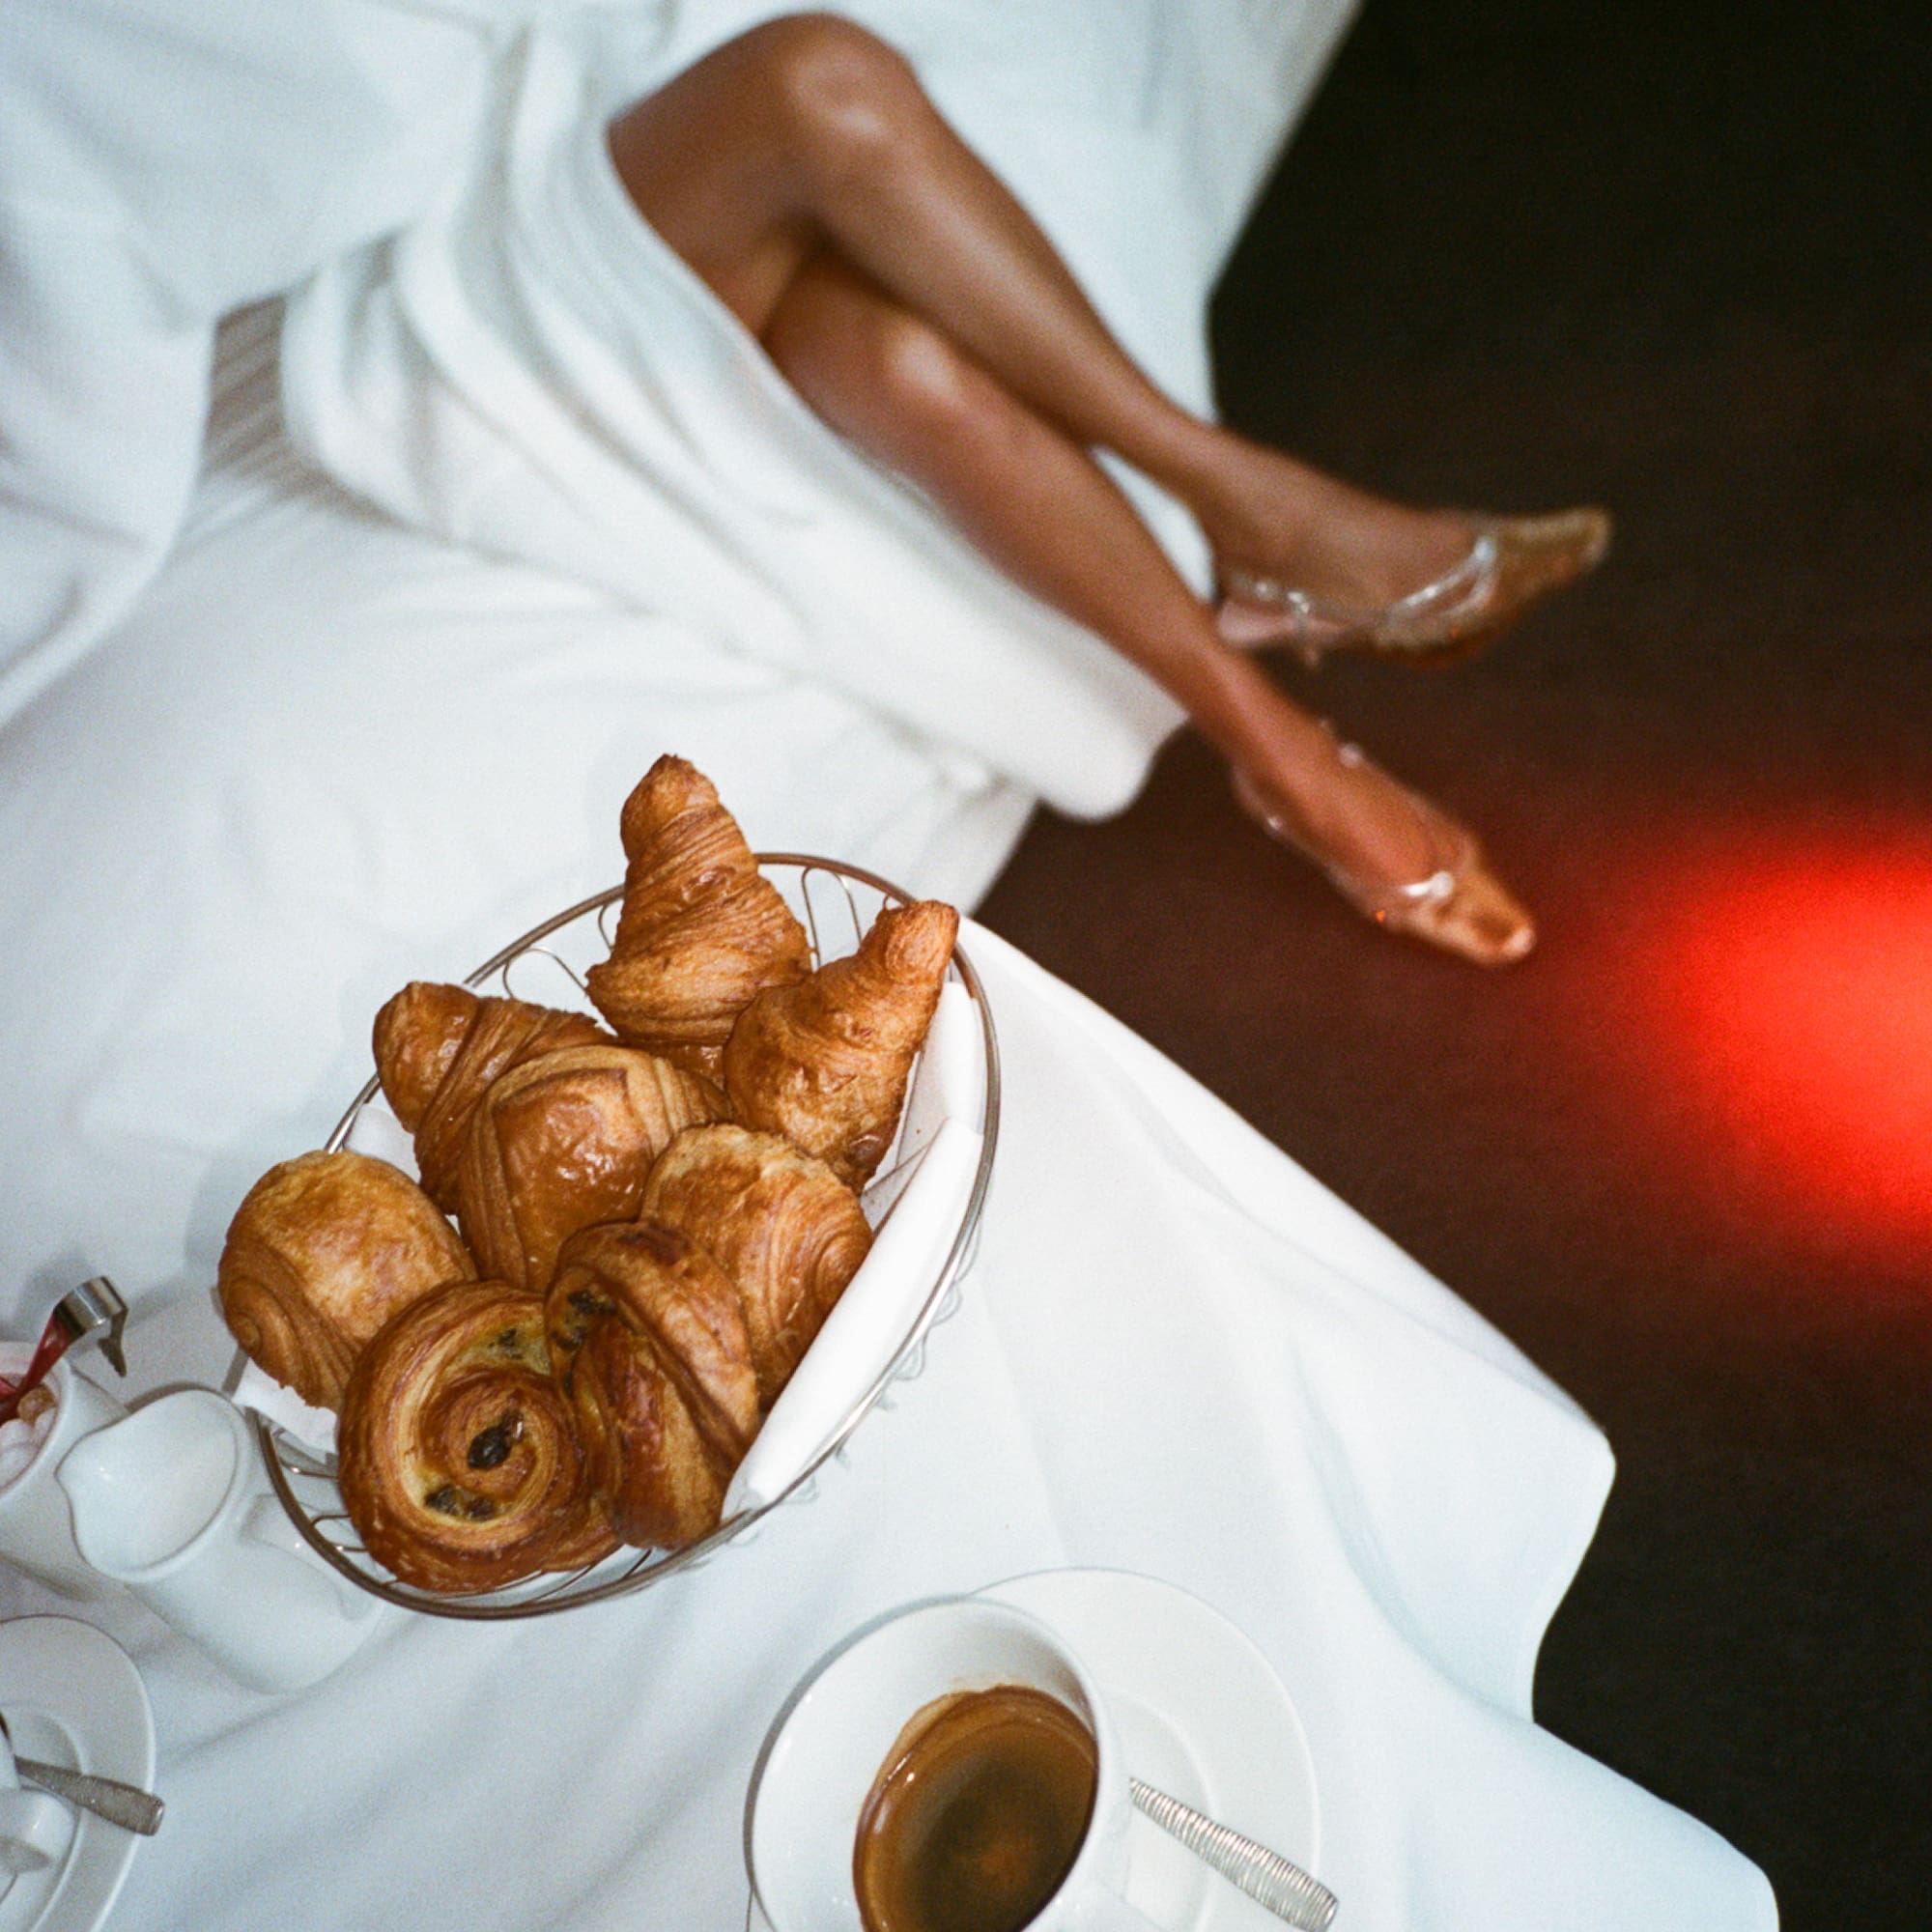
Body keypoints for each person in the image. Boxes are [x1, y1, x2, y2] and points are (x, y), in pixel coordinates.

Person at [604, 14, 1609, 967]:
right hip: (524, 244)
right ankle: (1261, 550)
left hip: (713, 237)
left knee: (908, 363)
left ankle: (1277, 738)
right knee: (813, 76)